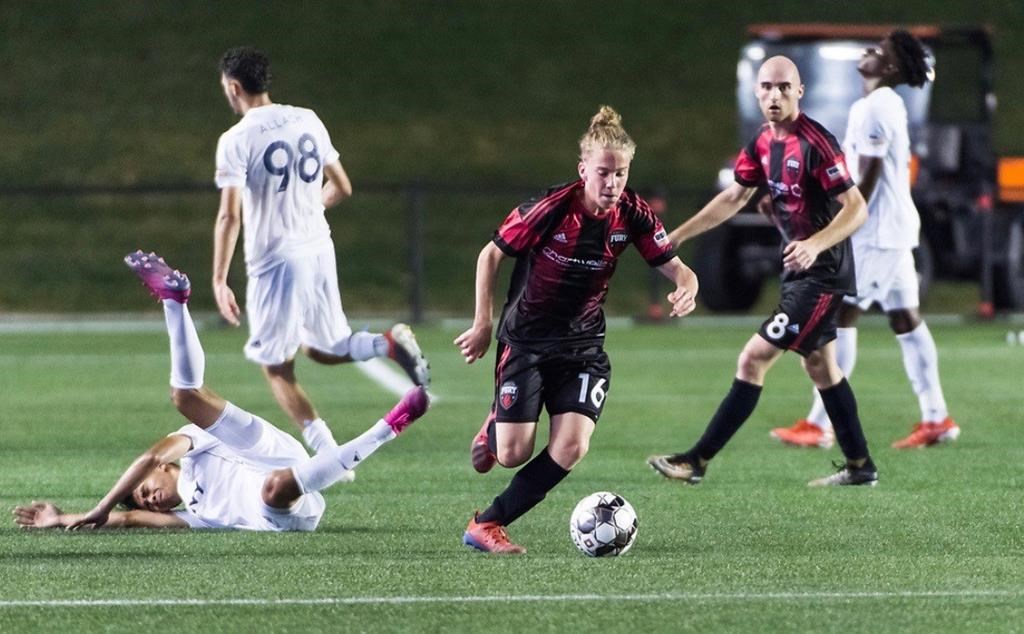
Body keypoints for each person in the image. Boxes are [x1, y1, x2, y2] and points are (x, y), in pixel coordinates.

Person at [12, 252, 429, 532]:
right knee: (275, 487)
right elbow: (128, 521)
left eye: (145, 489)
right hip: (280, 510)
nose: (150, 499)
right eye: (147, 501)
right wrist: (65, 517)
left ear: (163, 470)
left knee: (185, 397)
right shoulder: (191, 514)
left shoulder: (185, 448)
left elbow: (149, 458)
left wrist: (104, 504)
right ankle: (389, 427)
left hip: (264, 449)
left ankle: (175, 302)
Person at [454, 106, 699, 554]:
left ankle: (487, 523)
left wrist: (688, 286)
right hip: (526, 340)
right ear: (583, 169)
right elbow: (490, 255)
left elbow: (678, 268)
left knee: (571, 447)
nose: (612, 184)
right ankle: (494, 430)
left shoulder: (634, 214)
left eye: (621, 174)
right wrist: (483, 324)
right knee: (512, 454)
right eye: (603, 173)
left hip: (583, 346)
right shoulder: (550, 208)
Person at [647, 56, 878, 487]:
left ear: (800, 91)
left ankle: (696, 460)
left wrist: (813, 244)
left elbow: (857, 209)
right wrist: (677, 236)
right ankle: (861, 466)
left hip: (823, 273)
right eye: (767, 87)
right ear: (757, 92)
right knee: (822, 368)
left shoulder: (817, 143)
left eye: (784, 88)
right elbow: (734, 197)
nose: (775, 95)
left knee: (752, 359)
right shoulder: (762, 143)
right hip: (801, 273)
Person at [211, 46, 429, 456]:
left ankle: (328, 453)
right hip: (318, 248)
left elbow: (229, 217)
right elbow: (342, 187)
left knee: (276, 368)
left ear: (234, 87)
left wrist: (219, 279)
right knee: (323, 347)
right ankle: (387, 344)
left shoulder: (236, 138)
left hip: (275, 260)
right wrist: (307, 208)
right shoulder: (307, 119)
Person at [771, 30, 959, 451]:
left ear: (889, 68)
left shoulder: (877, 106)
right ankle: (936, 417)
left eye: (879, 51)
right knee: (905, 320)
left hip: (875, 234)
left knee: (839, 318)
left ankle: (820, 425)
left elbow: (866, 183)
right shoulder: (877, 104)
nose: (869, 51)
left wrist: (836, 225)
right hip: (892, 231)